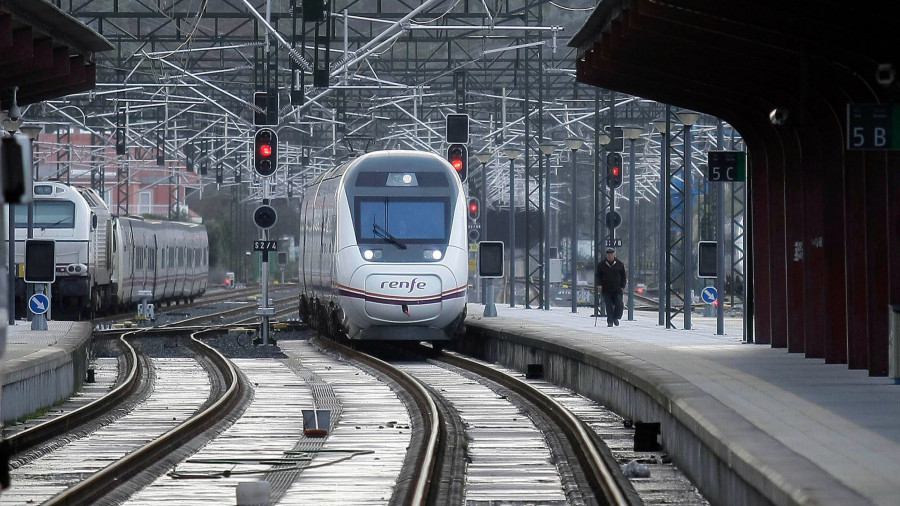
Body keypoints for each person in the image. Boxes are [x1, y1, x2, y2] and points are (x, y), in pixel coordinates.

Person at [595, 247, 626, 327]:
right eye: (608, 254)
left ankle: (616, 317)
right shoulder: (601, 265)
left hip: (617, 288)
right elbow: (598, 275)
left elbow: (623, 276)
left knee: (619, 304)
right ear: (606, 255)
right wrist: (599, 284)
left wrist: (623, 285)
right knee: (608, 305)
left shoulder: (619, 264)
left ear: (614, 254)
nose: (609, 256)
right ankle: (610, 321)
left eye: (611, 254)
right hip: (606, 289)